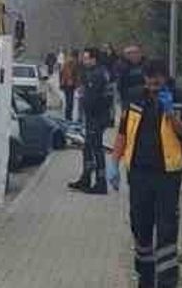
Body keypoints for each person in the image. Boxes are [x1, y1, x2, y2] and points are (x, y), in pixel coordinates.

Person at [113, 58, 182, 288]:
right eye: (149, 83)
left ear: (164, 78)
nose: (152, 87)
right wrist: (114, 162)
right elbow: (123, 132)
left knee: (166, 230)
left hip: (167, 175)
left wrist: (172, 114)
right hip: (139, 173)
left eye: (156, 83)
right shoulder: (135, 97)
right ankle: (145, 284)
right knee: (141, 227)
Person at [69, 47, 113, 194]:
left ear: (94, 59)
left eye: (86, 58)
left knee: (96, 149)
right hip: (95, 116)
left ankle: (101, 182)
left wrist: (83, 99)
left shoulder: (97, 74)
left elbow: (93, 98)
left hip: (96, 116)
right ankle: (86, 178)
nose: (84, 60)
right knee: (88, 147)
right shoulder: (96, 72)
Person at [117, 44, 146, 110]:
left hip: (144, 102)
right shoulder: (123, 68)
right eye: (130, 53)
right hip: (129, 102)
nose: (134, 55)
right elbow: (121, 87)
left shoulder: (145, 66)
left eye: (136, 53)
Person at [59, 50, 79, 122]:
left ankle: (68, 116)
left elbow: (61, 74)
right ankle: (68, 117)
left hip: (67, 84)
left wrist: (61, 83)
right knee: (69, 102)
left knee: (69, 101)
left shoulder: (67, 63)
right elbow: (71, 74)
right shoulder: (71, 63)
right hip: (68, 85)